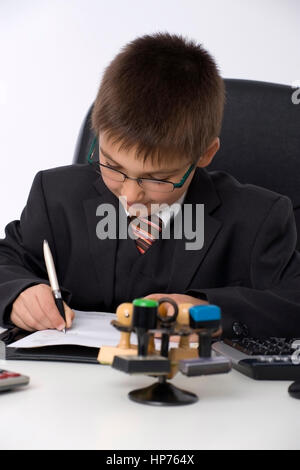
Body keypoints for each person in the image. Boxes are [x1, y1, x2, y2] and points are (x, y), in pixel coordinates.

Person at [1, 32, 300, 339]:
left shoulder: (258, 219)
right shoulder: (55, 196)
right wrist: (18, 292)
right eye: (113, 166)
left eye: (157, 178)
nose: (130, 196)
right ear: (97, 137)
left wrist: (206, 311)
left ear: (205, 154)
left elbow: (293, 301)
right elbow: (6, 261)